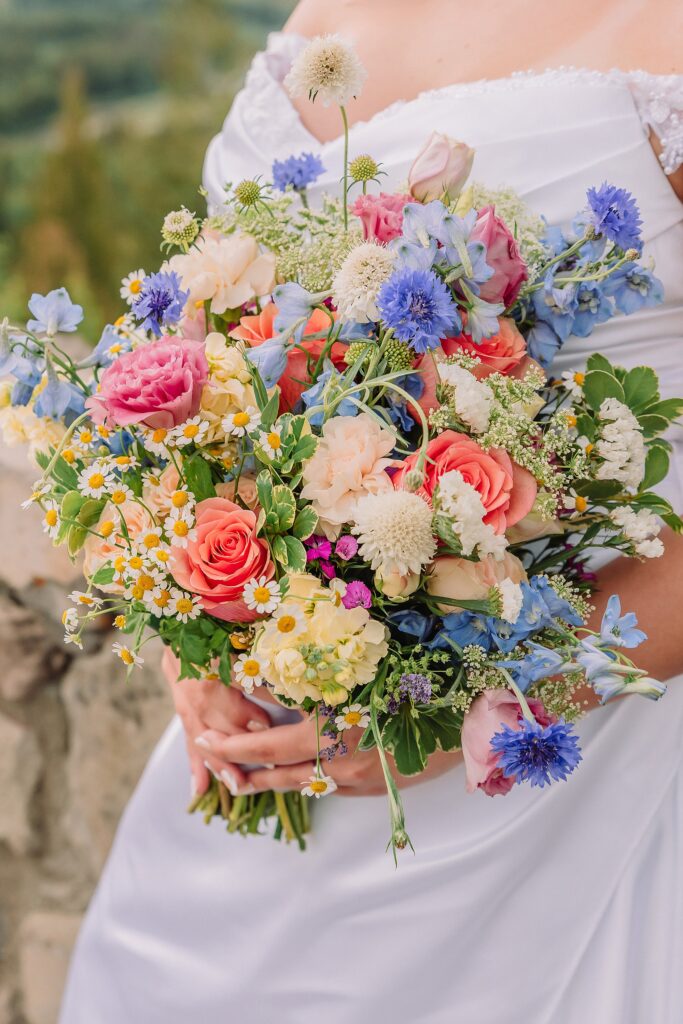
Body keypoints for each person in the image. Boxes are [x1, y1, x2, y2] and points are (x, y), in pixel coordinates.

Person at [60, 2, 683, 1020]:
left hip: (544, 783)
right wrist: (192, 618)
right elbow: (229, 351)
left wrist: (485, 708)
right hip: (250, 774)